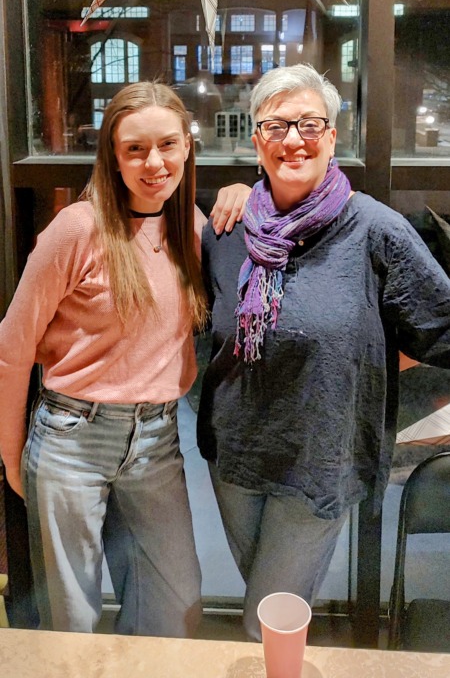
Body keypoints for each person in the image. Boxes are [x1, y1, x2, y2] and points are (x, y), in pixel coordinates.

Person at [197, 62, 450, 641]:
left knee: (264, 620)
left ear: (332, 137)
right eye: (276, 126)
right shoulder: (226, 229)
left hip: (318, 457)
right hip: (233, 453)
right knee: (272, 606)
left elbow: (439, 324)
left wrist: (370, 360)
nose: (293, 139)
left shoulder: (374, 230)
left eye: (310, 124)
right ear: (256, 139)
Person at [0, 80, 249, 635]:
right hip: (71, 437)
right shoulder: (77, 230)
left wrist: (242, 191)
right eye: (134, 148)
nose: (153, 162)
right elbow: (11, 349)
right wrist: (11, 457)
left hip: (157, 442)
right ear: (113, 156)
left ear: (187, 146)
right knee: (73, 618)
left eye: (167, 144)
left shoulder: (191, 227)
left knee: (175, 603)